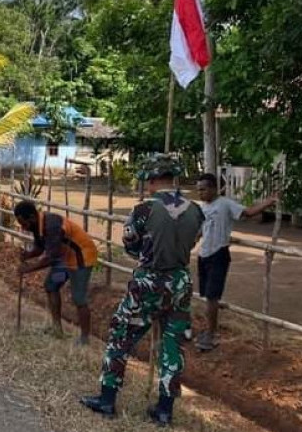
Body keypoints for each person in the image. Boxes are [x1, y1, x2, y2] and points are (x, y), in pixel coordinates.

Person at [81, 154, 204, 427]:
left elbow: (130, 245)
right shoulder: (196, 209)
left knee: (121, 335)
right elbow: (195, 240)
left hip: (149, 281)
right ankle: (164, 410)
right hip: (181, 282)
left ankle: (107, 399)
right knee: (173, 346)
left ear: (151, 179)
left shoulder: (143, 210)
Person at [195, 173, 278, 351]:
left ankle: (211, 334)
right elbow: (202, 229)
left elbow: (247, 212)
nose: (200, 193)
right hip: (204, 254)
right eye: (198, 190)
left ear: (213, 189)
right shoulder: (202, 207)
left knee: (212, 296)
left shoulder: (225, 204)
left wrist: (269, 201)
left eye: (202, 189)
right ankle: (209, 329)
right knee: (206, 296)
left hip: (218, 254)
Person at [15, 201, 97, 346]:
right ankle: (57, 329)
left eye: (24, 224)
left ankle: (84, 339)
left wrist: (28, 269)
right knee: (51, 285)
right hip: (65, 257)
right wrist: (27, 255)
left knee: (78, 298)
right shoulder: (37, 226)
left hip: (81, 257)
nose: (23, 228)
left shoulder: (51, 226)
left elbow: (50, 258)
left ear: (32, 218)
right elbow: (40, 249)